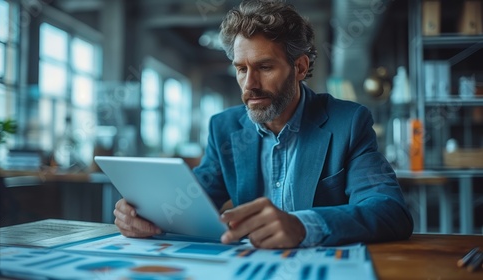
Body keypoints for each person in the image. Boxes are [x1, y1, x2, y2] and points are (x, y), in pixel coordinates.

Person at [114, 0, 413, 249]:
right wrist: (147, 213)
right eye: (241, 69)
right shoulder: (225, 128)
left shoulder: (347, 122)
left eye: (264, 67)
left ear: (299, 67)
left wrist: (302, 226)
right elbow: (192, 199)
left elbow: (390, 211)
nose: (250, 85)